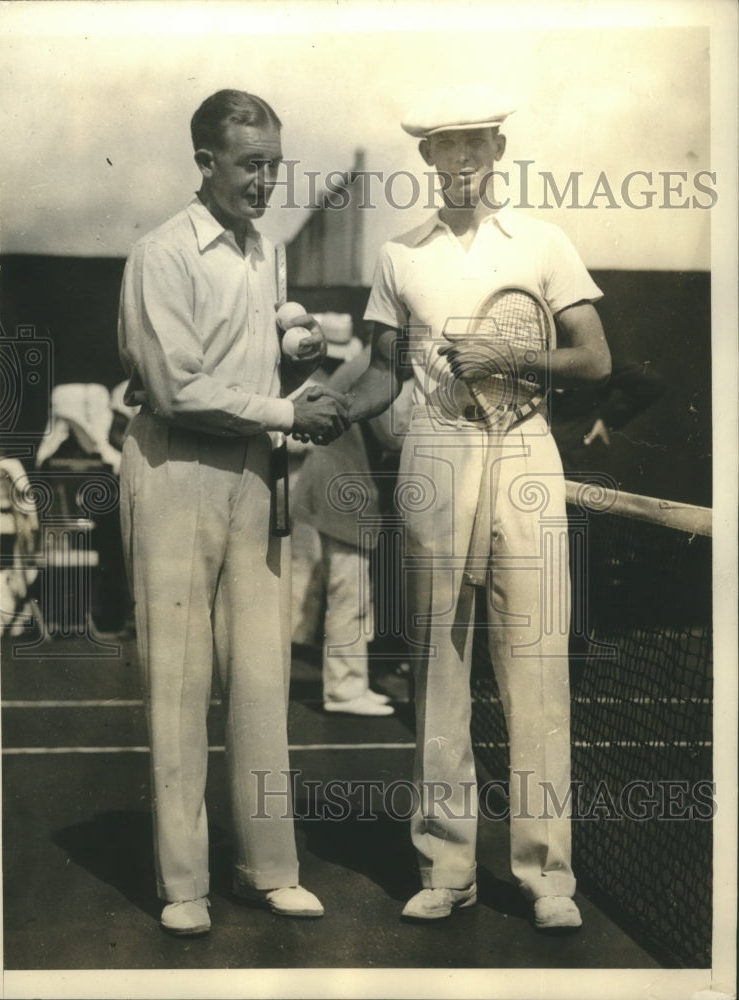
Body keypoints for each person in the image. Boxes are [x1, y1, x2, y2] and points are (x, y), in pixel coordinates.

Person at [338, 85, 612, 929]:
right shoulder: (397, 255)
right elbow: (383, 372)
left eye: (473, 144)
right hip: (433, 452)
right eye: (442, 146)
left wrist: (506, 355)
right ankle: (446, 867)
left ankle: (544, 879)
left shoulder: (545, 242)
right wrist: (325, 410)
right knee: (437, 668)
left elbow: (594, 360)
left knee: (532, 668)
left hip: (526, 455)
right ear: (425, 157)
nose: (458, 160)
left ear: (496, 151)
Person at [118, 89, 348, 936]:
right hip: (173, 473)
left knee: (258, 683)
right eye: (251, 165)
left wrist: (295, 347)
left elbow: (248, 369)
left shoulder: (263, 254)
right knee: (177, 686)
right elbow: (176, 389)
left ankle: (268, 870)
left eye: (274, 167)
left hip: (254, 479)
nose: (265, 182)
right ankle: (185, 886)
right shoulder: (160, 253)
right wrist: (291, 413)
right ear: (205, 161)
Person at [291, 342, 413, 716]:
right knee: (349, 593)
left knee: (353, 593)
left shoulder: (369, 364)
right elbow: (393, 435)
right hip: (342, 492)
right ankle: (344, 691)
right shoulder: (372, 370)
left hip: (342, 490)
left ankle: (352, 681)